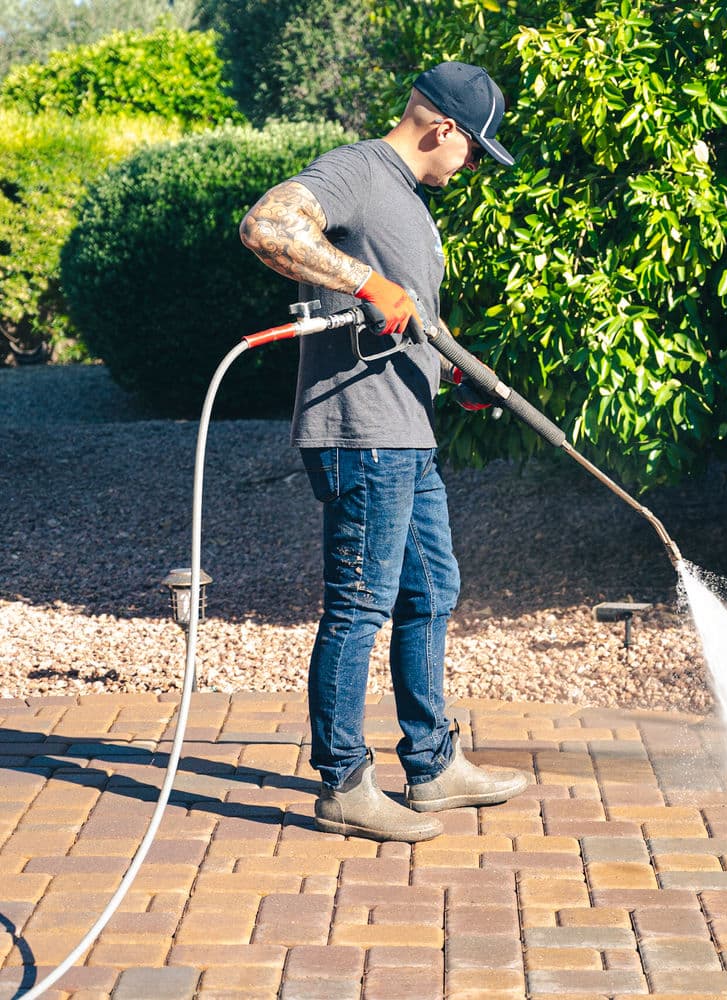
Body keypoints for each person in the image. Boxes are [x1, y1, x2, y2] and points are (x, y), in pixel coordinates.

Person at [239, 61, 529, 843]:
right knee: (359, 606)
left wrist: (456, 376)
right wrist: (366, 282)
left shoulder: (406, 200)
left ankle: (431, 767)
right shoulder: (359, 172)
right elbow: (268, 226)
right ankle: (342, 783)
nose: (471, 167)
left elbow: (407, 318)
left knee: (431, 591)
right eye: (474, 150)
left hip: (407, 430)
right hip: (360, 435)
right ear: (443, 129)